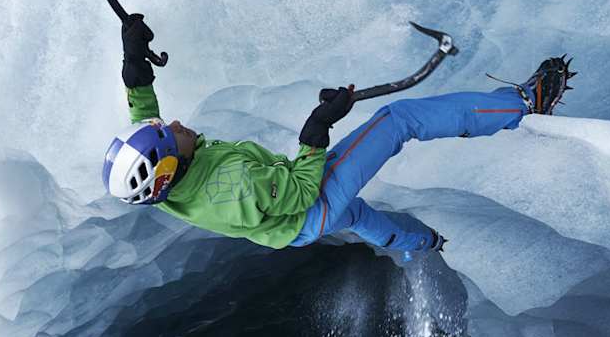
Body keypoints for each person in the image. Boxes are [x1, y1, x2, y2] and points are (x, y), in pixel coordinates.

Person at [102, 15, 573, 254]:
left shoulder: (159, 183)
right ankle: (525, 105)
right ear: (170, 163)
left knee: (358, 214)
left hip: (295, 227)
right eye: (170, 132)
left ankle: (425, 245)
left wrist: (135, 67)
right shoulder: (230, 190)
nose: (176, 124)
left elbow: (144, 127)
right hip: (308, 207)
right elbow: (303, 191)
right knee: (397, 120)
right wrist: (317, 128)